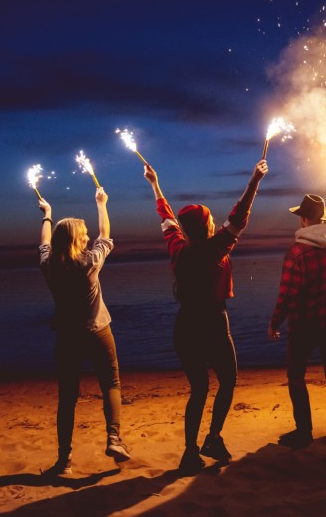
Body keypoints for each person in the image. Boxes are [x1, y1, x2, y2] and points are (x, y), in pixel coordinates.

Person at [145, 159, 267, 474]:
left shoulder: (179, 246)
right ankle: (212, 438)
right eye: (211, 220)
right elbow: (240, 216)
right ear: (206, 227)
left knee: (199, 389)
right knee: (228, 380)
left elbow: (166, 216)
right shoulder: (212, 250)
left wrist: (154, 184)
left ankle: (190, 452)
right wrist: (254, 179)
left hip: (185, 326)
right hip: (212, 323)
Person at [37, 187, 131, 476]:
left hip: (67, 337)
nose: (88, 236)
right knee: (111, 383)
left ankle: (64, 460)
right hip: (97, 330)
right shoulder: (89, 262)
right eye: (84, 234)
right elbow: (105, 234)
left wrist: (47, 215)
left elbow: (44, 243)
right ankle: (114, 438)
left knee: (67, 398)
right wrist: (102, 204)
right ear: (77, 239)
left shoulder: (49, 265)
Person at [268, 178, 326, 449]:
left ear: (303, 219)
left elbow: (287, 294)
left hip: (303, 326)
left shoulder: (297, 254)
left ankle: (304, 432)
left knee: (295, 377)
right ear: (321, 218)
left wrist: (274, 322)